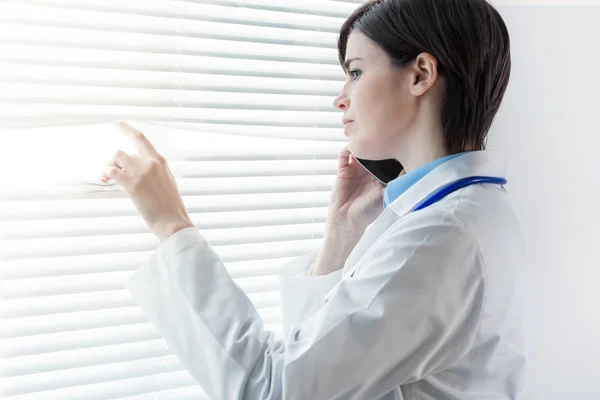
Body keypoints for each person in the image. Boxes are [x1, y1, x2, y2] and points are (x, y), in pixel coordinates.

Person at [103, 0, 528, 398]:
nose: (340, 98)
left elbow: (275, 388)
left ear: (420, 75)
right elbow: (319, 365)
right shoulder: (465, 212)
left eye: (356, 72)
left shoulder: (440, 236)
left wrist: (171, 227)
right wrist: (341, 235)